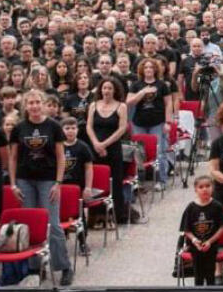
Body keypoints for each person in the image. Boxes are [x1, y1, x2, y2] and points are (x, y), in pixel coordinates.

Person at [9, 90, 73, 286]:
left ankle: (63, 267)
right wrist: (12, 184)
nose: (35, 106)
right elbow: (12, 158)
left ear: (44, 104)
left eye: (38, 102)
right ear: (26, 106)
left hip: (48, 180)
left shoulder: (53, 126)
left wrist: (58, 183)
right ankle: (36, 267)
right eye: (31, 103)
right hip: (25, 180)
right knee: (31, 226)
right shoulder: (19, 128)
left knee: (53, 225)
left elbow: (62, 156)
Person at [86, 77, 129, 224]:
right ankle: (96, 215)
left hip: (113, 148)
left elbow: (122, 128)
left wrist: (104, 144)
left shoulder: (121, 106)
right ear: (100, 90)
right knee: (96, 181)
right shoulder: (93, 105)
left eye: (110, 88)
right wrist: (96, 144)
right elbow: (89, 127)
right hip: (95, 148)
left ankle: (116, 214)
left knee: (115, 181)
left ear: (115, 90)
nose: (107, 91)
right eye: (104, 88)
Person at [126, 58, 172, 192]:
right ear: (142, 70)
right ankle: (140, 181)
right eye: (146, 67)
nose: (148, 70)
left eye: (151, 67)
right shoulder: (136, 85)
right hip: (139, 123)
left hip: (157, 122)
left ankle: (161, 180)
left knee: (160, 151)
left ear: (155, 70)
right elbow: (128, 102)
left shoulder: (162, 85)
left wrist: (168, 122)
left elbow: (169, 104)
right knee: (139, 153)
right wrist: (142, 92)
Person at [179, 175, 223, 287]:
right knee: (198, 276)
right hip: (195, 247)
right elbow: (186, 229)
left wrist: (210, 241)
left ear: (213, 188)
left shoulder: (217, 206)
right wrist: (194, 240)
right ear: (196, 190)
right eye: (201, 187)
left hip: (211, 246)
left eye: (208, 186)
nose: (205, 189)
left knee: (210, 276)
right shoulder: (191, 208)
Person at [60, 117, 94, 257]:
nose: (70, 131)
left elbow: (88, 168)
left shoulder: (83, 147)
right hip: (61, 187)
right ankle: (61, 243)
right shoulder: (58, 146)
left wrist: (88, 187)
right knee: (60, 215)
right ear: (62, 130)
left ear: (78, 130)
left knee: (80, 217)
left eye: (73, 128)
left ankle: (82, 242)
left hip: (78, 187)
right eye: (67, 128)